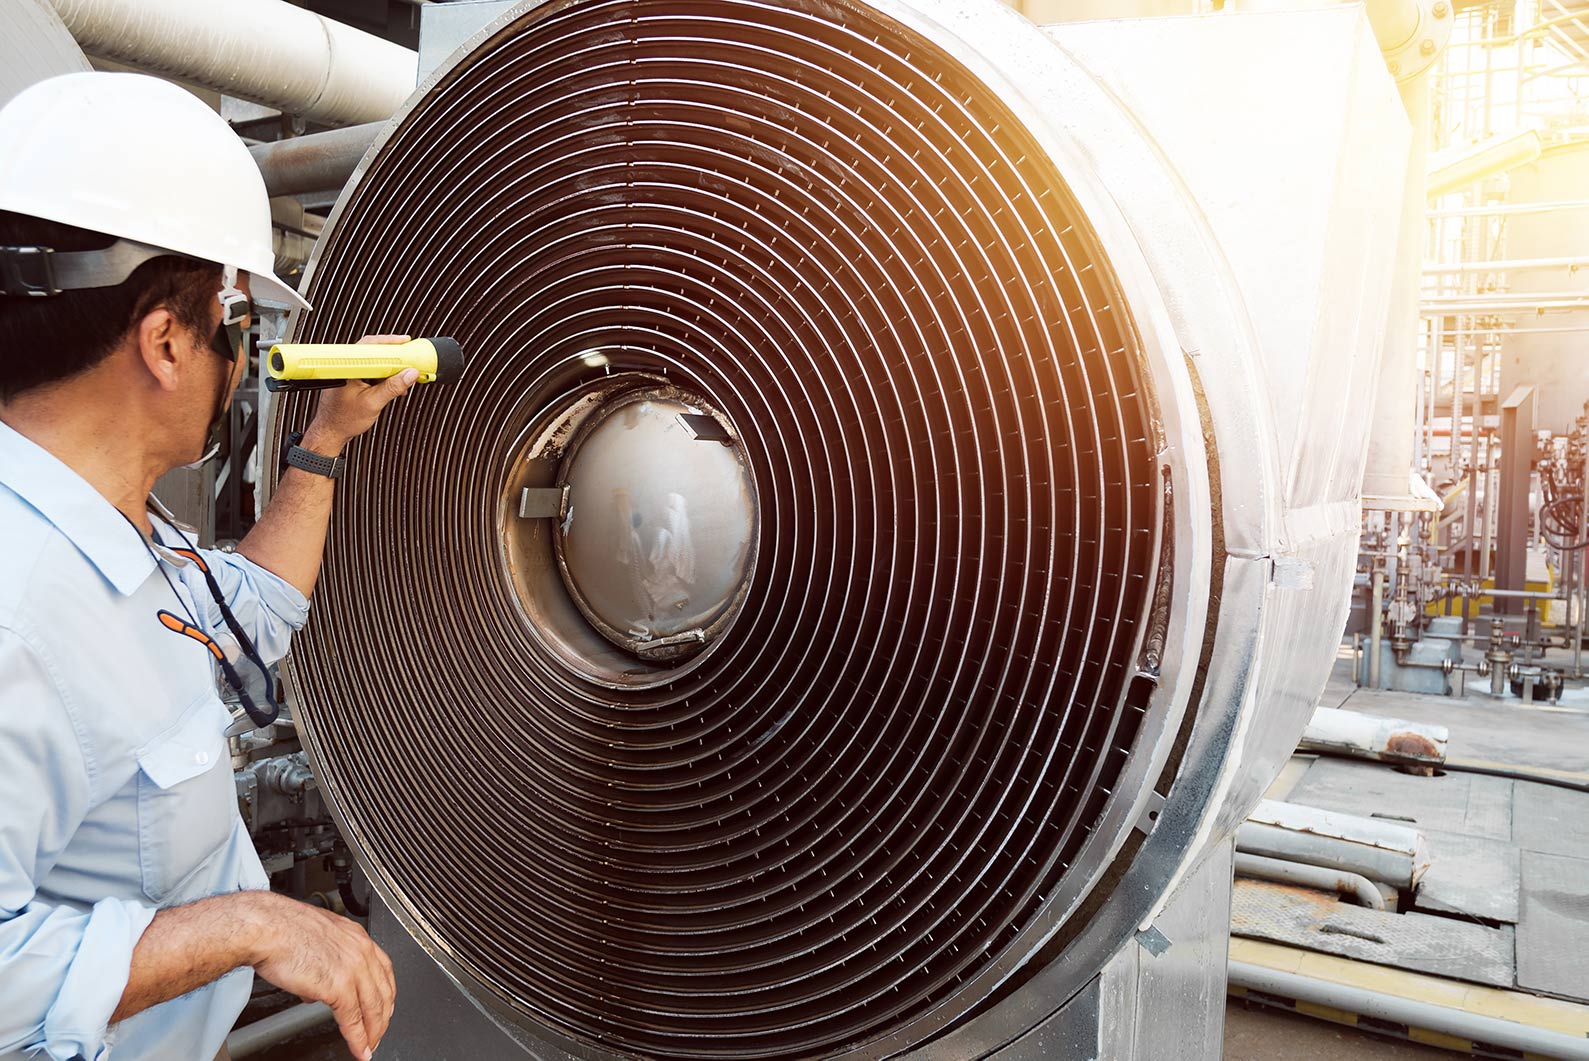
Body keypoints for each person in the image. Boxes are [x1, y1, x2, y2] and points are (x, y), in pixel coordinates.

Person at [0, 72, 410, 1060]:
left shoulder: (119, 530)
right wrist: (255, 923)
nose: (239, 358)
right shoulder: (19, 609)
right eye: (233, 323)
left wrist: (326, 441)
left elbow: (246, 616)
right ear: (167, 342)